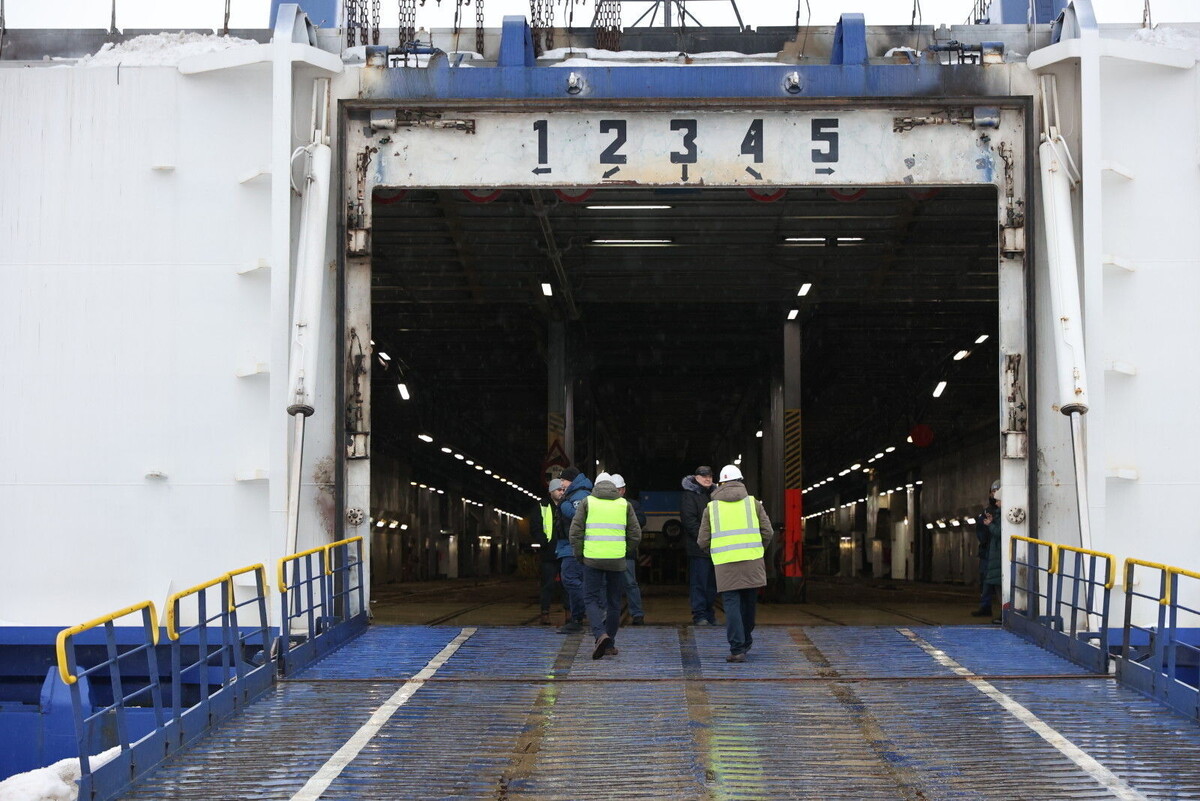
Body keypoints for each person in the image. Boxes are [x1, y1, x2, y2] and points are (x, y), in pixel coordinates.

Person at [698, 464, 773, 663]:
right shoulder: (753, 503)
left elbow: (702, 541)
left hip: (725, 564)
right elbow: (768, 532)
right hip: (751, 560)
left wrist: (715, 552)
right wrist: (757, 549)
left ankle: (737, 648)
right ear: (741, 481)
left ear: (721, 483)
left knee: (731, 605)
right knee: (749, 604)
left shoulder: (711, 507)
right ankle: (746, 640)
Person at [570, 472, 642, 659]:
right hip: (617, 560)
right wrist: (624, 551)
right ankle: (609, 645)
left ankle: (600, 634)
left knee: (591, 598)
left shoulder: (587, 502)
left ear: (595, 486)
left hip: (592, 559)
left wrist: (580, 555)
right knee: (614, 602)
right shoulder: (623, 504)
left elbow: (575, 532)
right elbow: (636, 534)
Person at [555, 467, 593, 633]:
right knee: (573, 580)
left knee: (570, 579)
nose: (561, 483)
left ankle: (588, 610)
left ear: (571, 480)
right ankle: (577, 618)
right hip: (569, 545)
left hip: (574, 546)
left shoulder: (580, 495)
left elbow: (579, 515)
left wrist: (563, 504)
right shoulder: (576, 493)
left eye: (563, 480)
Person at [681, 465, 718, 625]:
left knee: (712, 584)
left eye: (709, 476)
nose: (707, 478)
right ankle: (700, 615)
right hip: (698, 549)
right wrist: (706, 539)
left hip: (716, 548)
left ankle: (709, 614)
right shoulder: (689, 496)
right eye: (704, 476)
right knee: (699, 583)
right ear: (696, 478)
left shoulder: (715, 495)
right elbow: (689, 521)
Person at [610, 474, 648, 625]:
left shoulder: (632, 505)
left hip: (626, 552)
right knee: (609, 585)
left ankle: (637, 614)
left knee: (630, 583)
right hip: (609, 551)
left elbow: (641, 521)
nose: (616, 492)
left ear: (623, 490)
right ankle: (610, 614)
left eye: (618, 489)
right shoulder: (603, 505)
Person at [537, 478, 569, 625]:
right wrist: (544, 542)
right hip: (549, 553)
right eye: (559, 490)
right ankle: (545, 614)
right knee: (547, 584)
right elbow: (535, 526)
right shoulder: (542, 506)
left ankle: (569, 614)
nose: (562, 492)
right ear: (551, 492)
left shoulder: (567, 506)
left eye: (563, 490)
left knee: (567, 584)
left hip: (564, 551)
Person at [971, 480, 1002, 619]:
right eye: (993, 491)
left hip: (995, 551)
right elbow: (981, 531)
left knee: (996, 581)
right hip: (988, 551)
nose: (994, 495)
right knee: (986, 580)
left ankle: (999, 609)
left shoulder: (999, 511)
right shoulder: (987, 511)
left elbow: (997, 531)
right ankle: (986, 606)